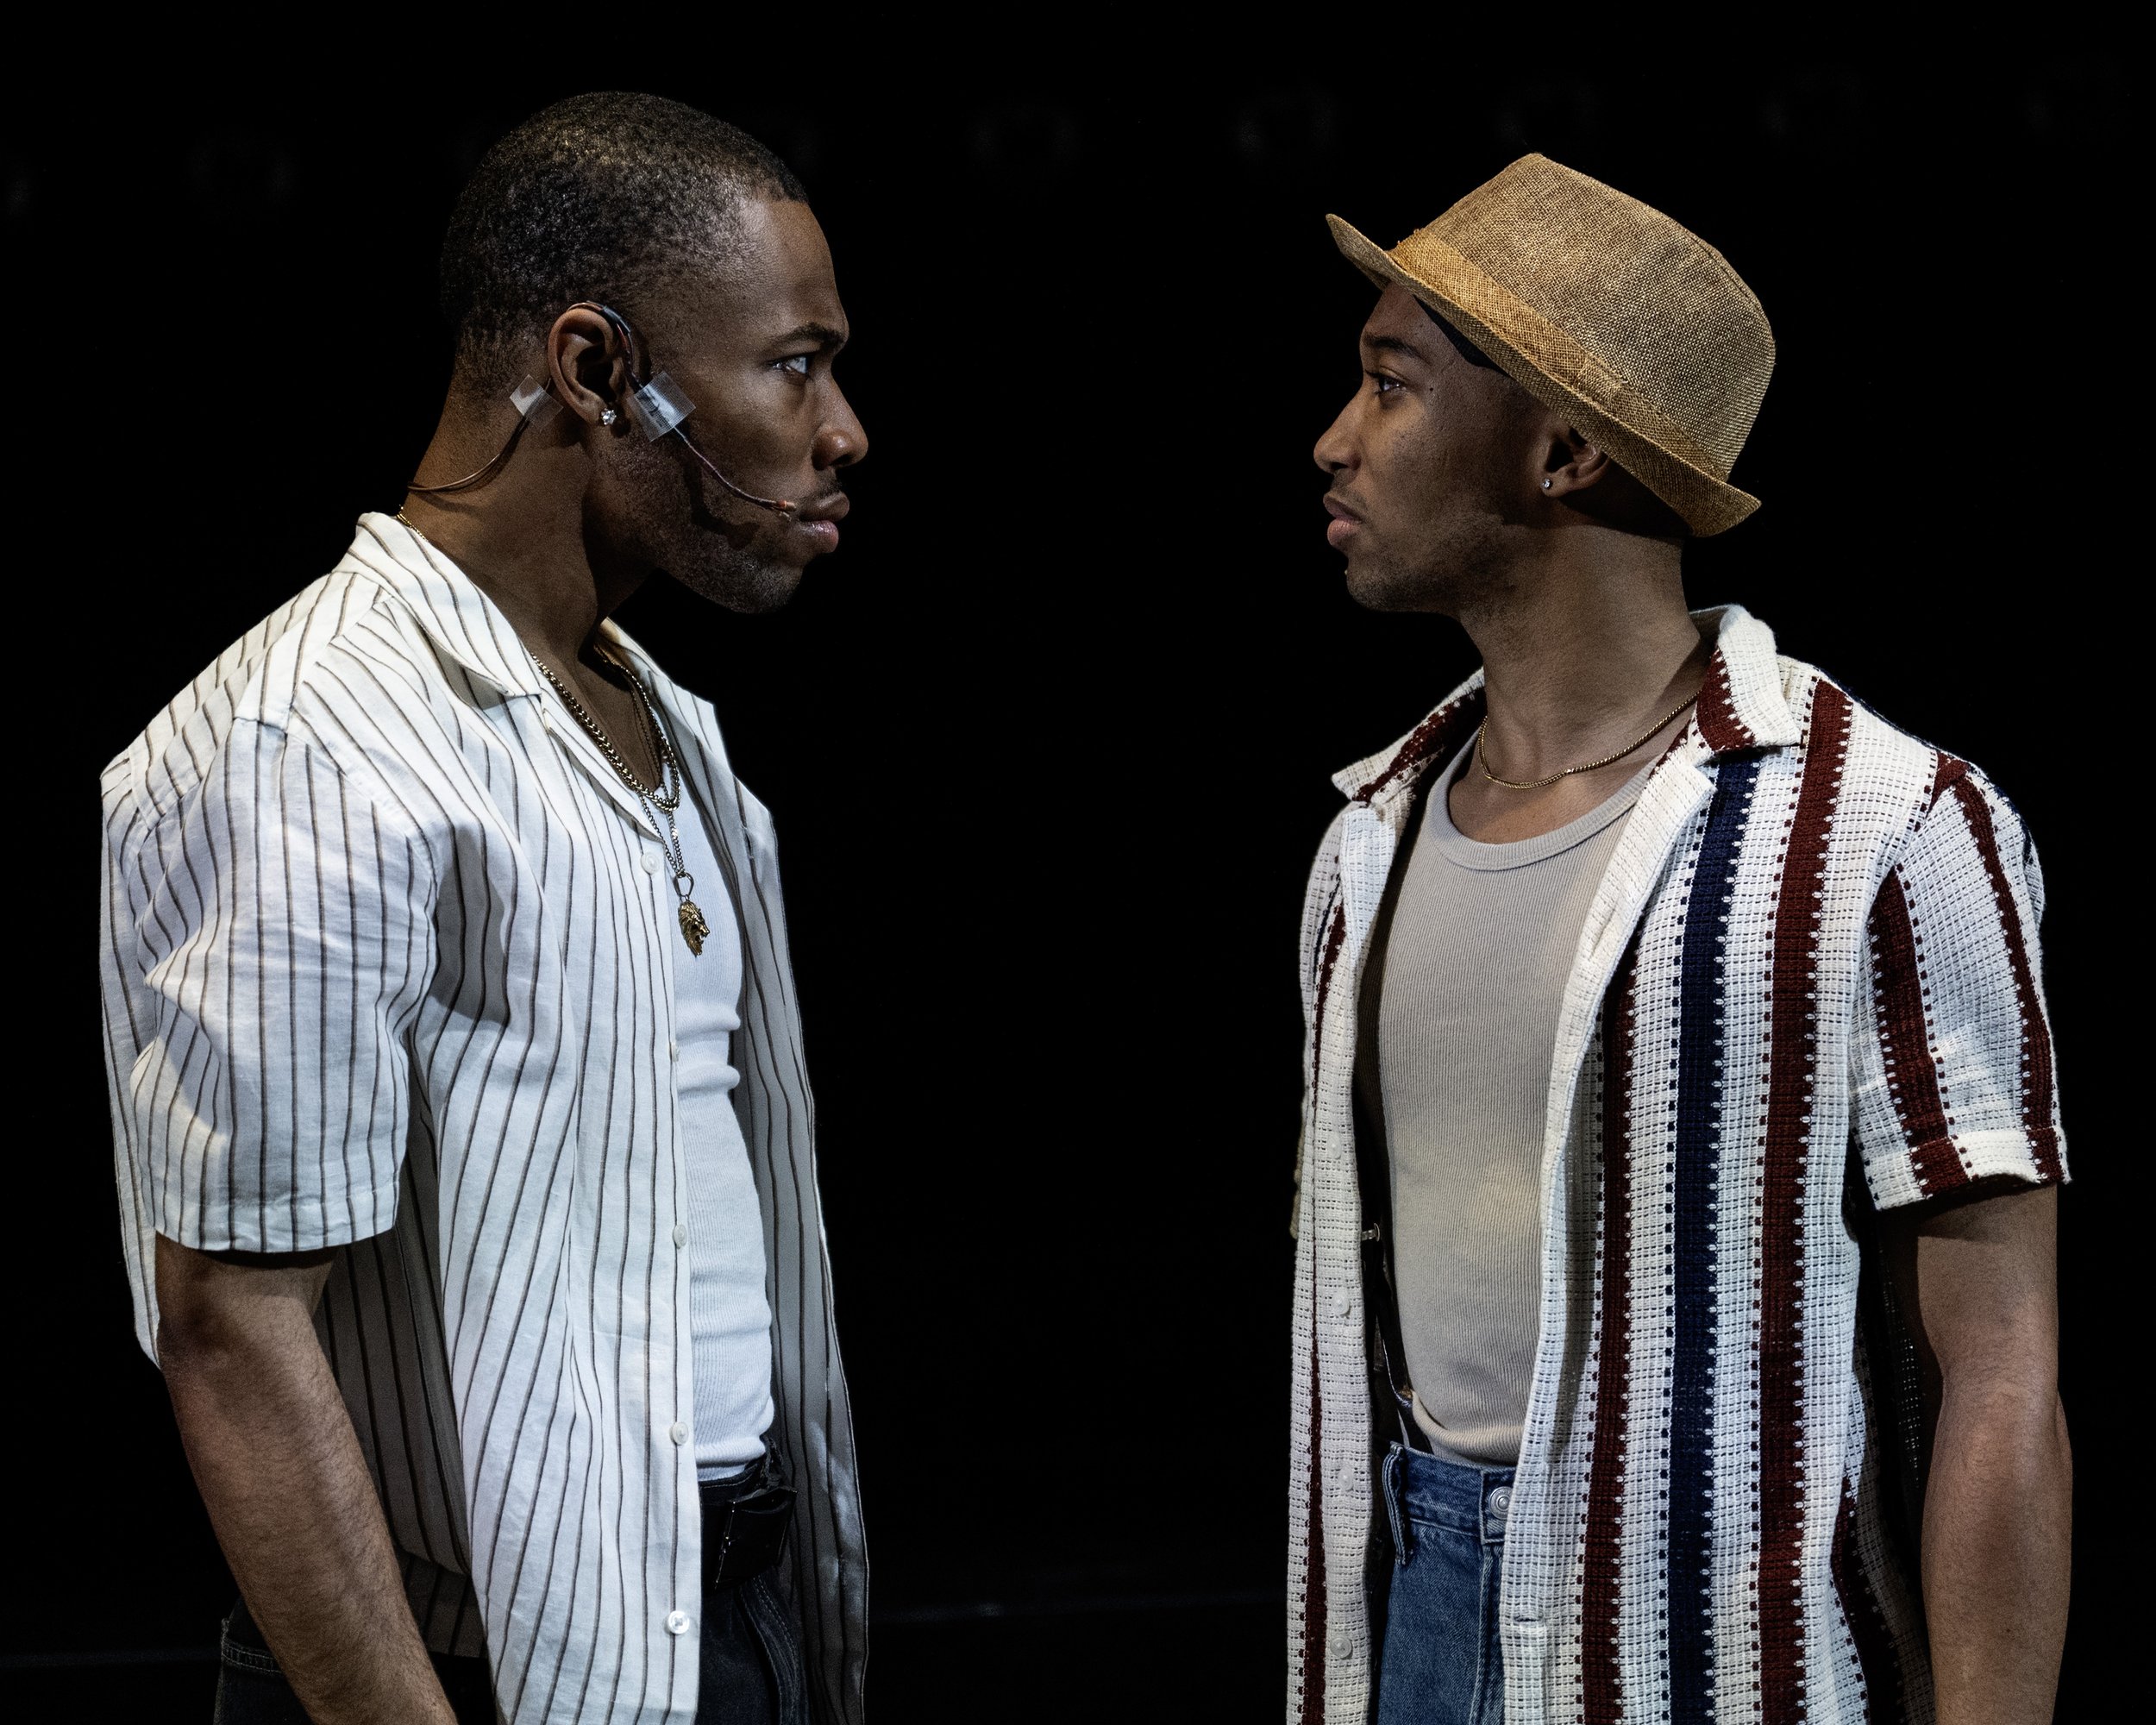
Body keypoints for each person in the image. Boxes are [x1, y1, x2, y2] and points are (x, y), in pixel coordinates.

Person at [97, 91, 868, 1725]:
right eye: (796, 364)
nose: (843, 429)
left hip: (722, 1619)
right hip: (468, 1672)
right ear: (597, 369)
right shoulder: (320, 737)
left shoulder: (654, 714)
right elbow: (231, 1324)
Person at [1288, 154, 2070, 1725]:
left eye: (1390, 382)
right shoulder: (1367, 836)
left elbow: (1998, 1370)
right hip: (1413, 1621)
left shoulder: (1886, 825)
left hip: (1709, 1655)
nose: (1335, 438)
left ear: (1564, 448)